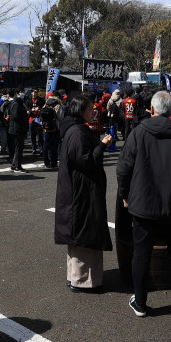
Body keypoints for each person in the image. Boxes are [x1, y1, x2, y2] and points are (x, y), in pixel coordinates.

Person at [116, 91, 171, 317]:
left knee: (141, 254)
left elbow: (123, 168)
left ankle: (140, 302)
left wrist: (125, 194)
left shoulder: (138, 133)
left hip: (143, 205)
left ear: (152, 109)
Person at [55, 95, 114, 293]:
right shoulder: (78, 132)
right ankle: (83, 281)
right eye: (90, 109)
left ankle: (75, 277)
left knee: (78, 235)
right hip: (82, 193)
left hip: (77, 191)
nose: (93, 112)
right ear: (80, 111)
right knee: (85, 235)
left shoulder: (72, 129)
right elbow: (86, 161)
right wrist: (103, 145)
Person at [2, 89, 29, 173]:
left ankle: (14, 165)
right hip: (18, 128)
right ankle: (18, 166)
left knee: (17, 147)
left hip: (15, 128)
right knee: (19, 148)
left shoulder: (14, 103)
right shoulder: (17, 104)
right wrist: (26, 114)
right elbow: (16, 116)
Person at [40, 95, 62, 169]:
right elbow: (60, 117)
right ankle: (54, 163)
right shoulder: (57, 105)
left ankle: (46, 163)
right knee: (54, 146)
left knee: (45, 146)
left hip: (45, 128)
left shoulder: (46, 104)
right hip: (54, 128)